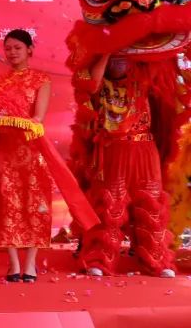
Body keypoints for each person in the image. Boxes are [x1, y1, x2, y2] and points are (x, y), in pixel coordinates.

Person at [76, 53, 177, 278]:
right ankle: (101, 260)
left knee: (151, 205)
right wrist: (106, 51)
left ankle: (157, 261)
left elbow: (158, 59)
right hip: (113, 152)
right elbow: (91, 85)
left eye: (124, 57)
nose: (119, 61)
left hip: (144, 151)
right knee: (110, 206)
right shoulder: (98, 83)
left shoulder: (143, 81)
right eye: (114, 58)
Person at [0, 30, 52, 282]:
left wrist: (17, 120)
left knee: (33, 203)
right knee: (7, 203)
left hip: (31, 150)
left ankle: (31, 263)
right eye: (8, 48)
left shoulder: (41, 80)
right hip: (3, 150)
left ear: (29, 50)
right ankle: (13, 263)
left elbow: (38, 119)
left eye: (17, 48)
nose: (12, 52)